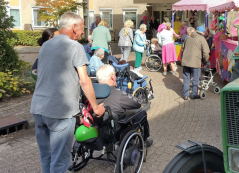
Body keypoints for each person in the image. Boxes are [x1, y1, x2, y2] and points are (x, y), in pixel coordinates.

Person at [30, 12, 105, 173]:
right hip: (60, 112)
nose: (84, 31)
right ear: (74, 28)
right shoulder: (75, 47)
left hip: (38, 109)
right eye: (82, 28)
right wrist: (96, 107)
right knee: (59, 162)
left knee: (46, 158)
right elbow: (84, 80)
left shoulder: (45, 46)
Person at [96, 65, 153, 147]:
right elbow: (137, 104)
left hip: (98, 129)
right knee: (142, 113)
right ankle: (144, 140)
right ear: (112, 77)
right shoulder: (118, 94)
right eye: (115, 74)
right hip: (116, 131)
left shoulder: (91, 94)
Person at [181, 26, 210, 100]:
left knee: (186, 78)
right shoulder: (202, 39)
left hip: (186, 61)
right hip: (196, 61)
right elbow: (206, 52)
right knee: (195, 79)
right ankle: (194, 94)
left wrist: (183, 58)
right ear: (202, 33)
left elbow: (183, 48)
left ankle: (185, 95)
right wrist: (205, 60)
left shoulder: (188, 37)